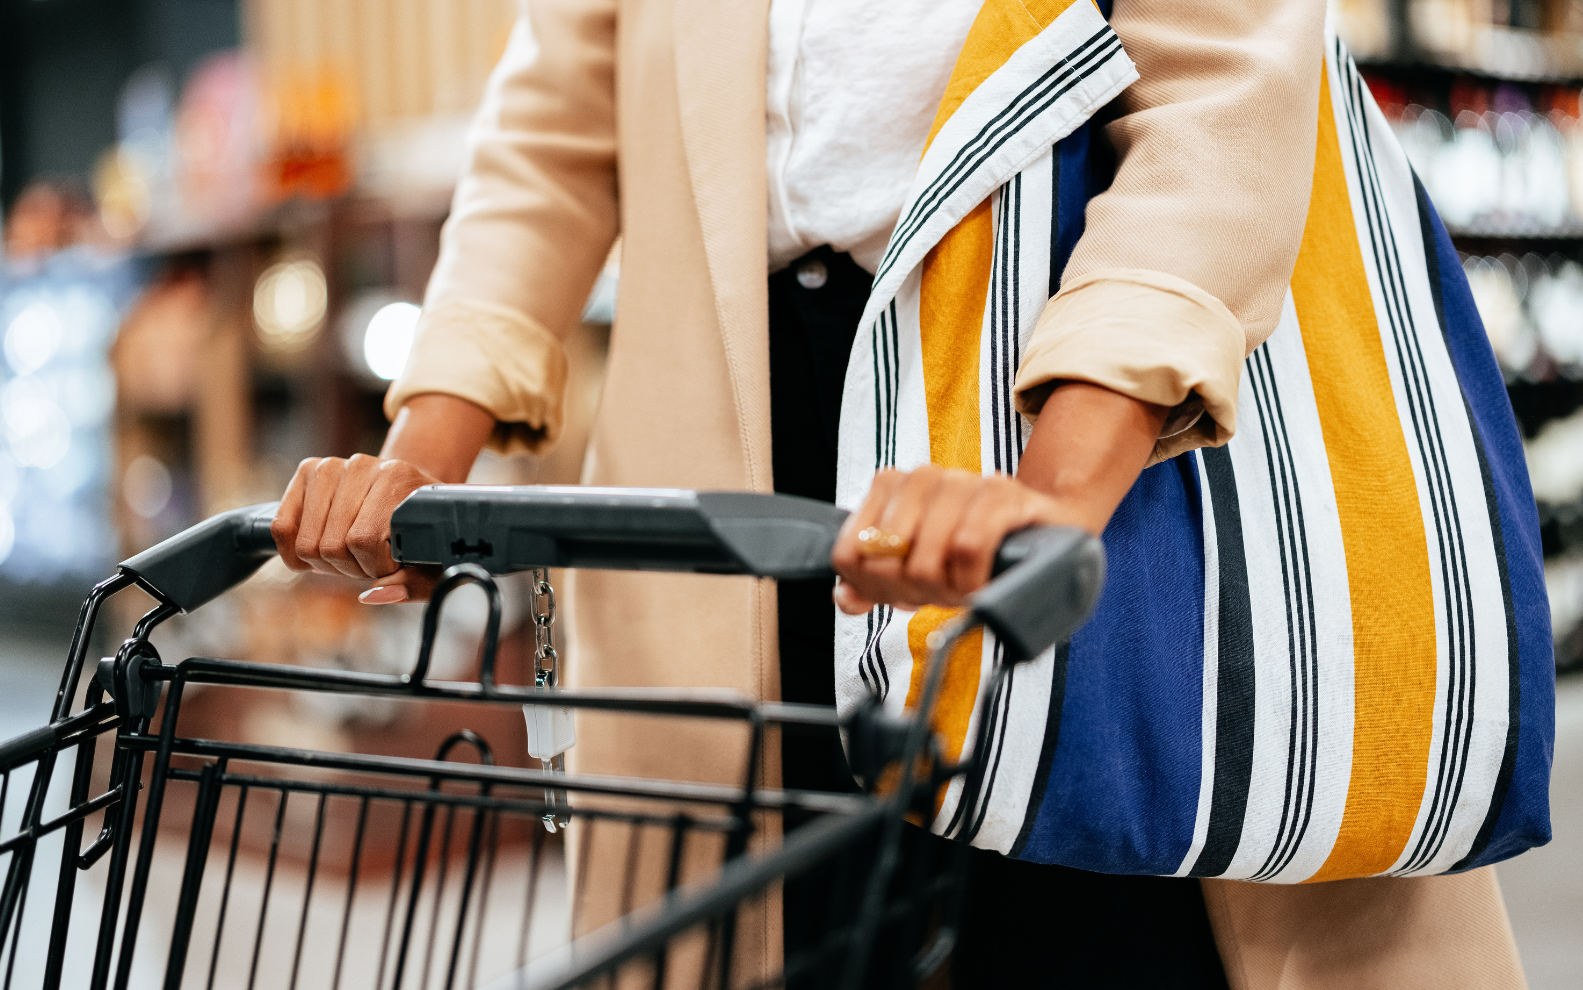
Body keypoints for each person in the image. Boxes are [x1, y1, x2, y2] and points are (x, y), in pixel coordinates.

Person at [271, 1, 1531, 986]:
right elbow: (549, 141)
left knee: (1113, 915)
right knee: (802, 925)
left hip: (1099, 411)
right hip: (745, 426)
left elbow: (1222, 99)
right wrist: (421, 454)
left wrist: (1052, 485)